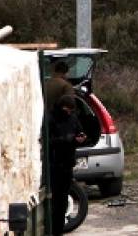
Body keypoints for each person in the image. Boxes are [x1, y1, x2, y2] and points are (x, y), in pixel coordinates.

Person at [48, 94, 86, 234]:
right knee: (56, 200)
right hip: (55, 164)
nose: (69, 113)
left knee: (63, 200)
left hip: (68, 163)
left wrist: (79, 138)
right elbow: (49, 141)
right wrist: (67, 139)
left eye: (71, 111)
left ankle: (59, 229)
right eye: (67, 110)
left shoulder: (73, 118)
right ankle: (54, 230)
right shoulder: (51, 118)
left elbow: (79, 131)